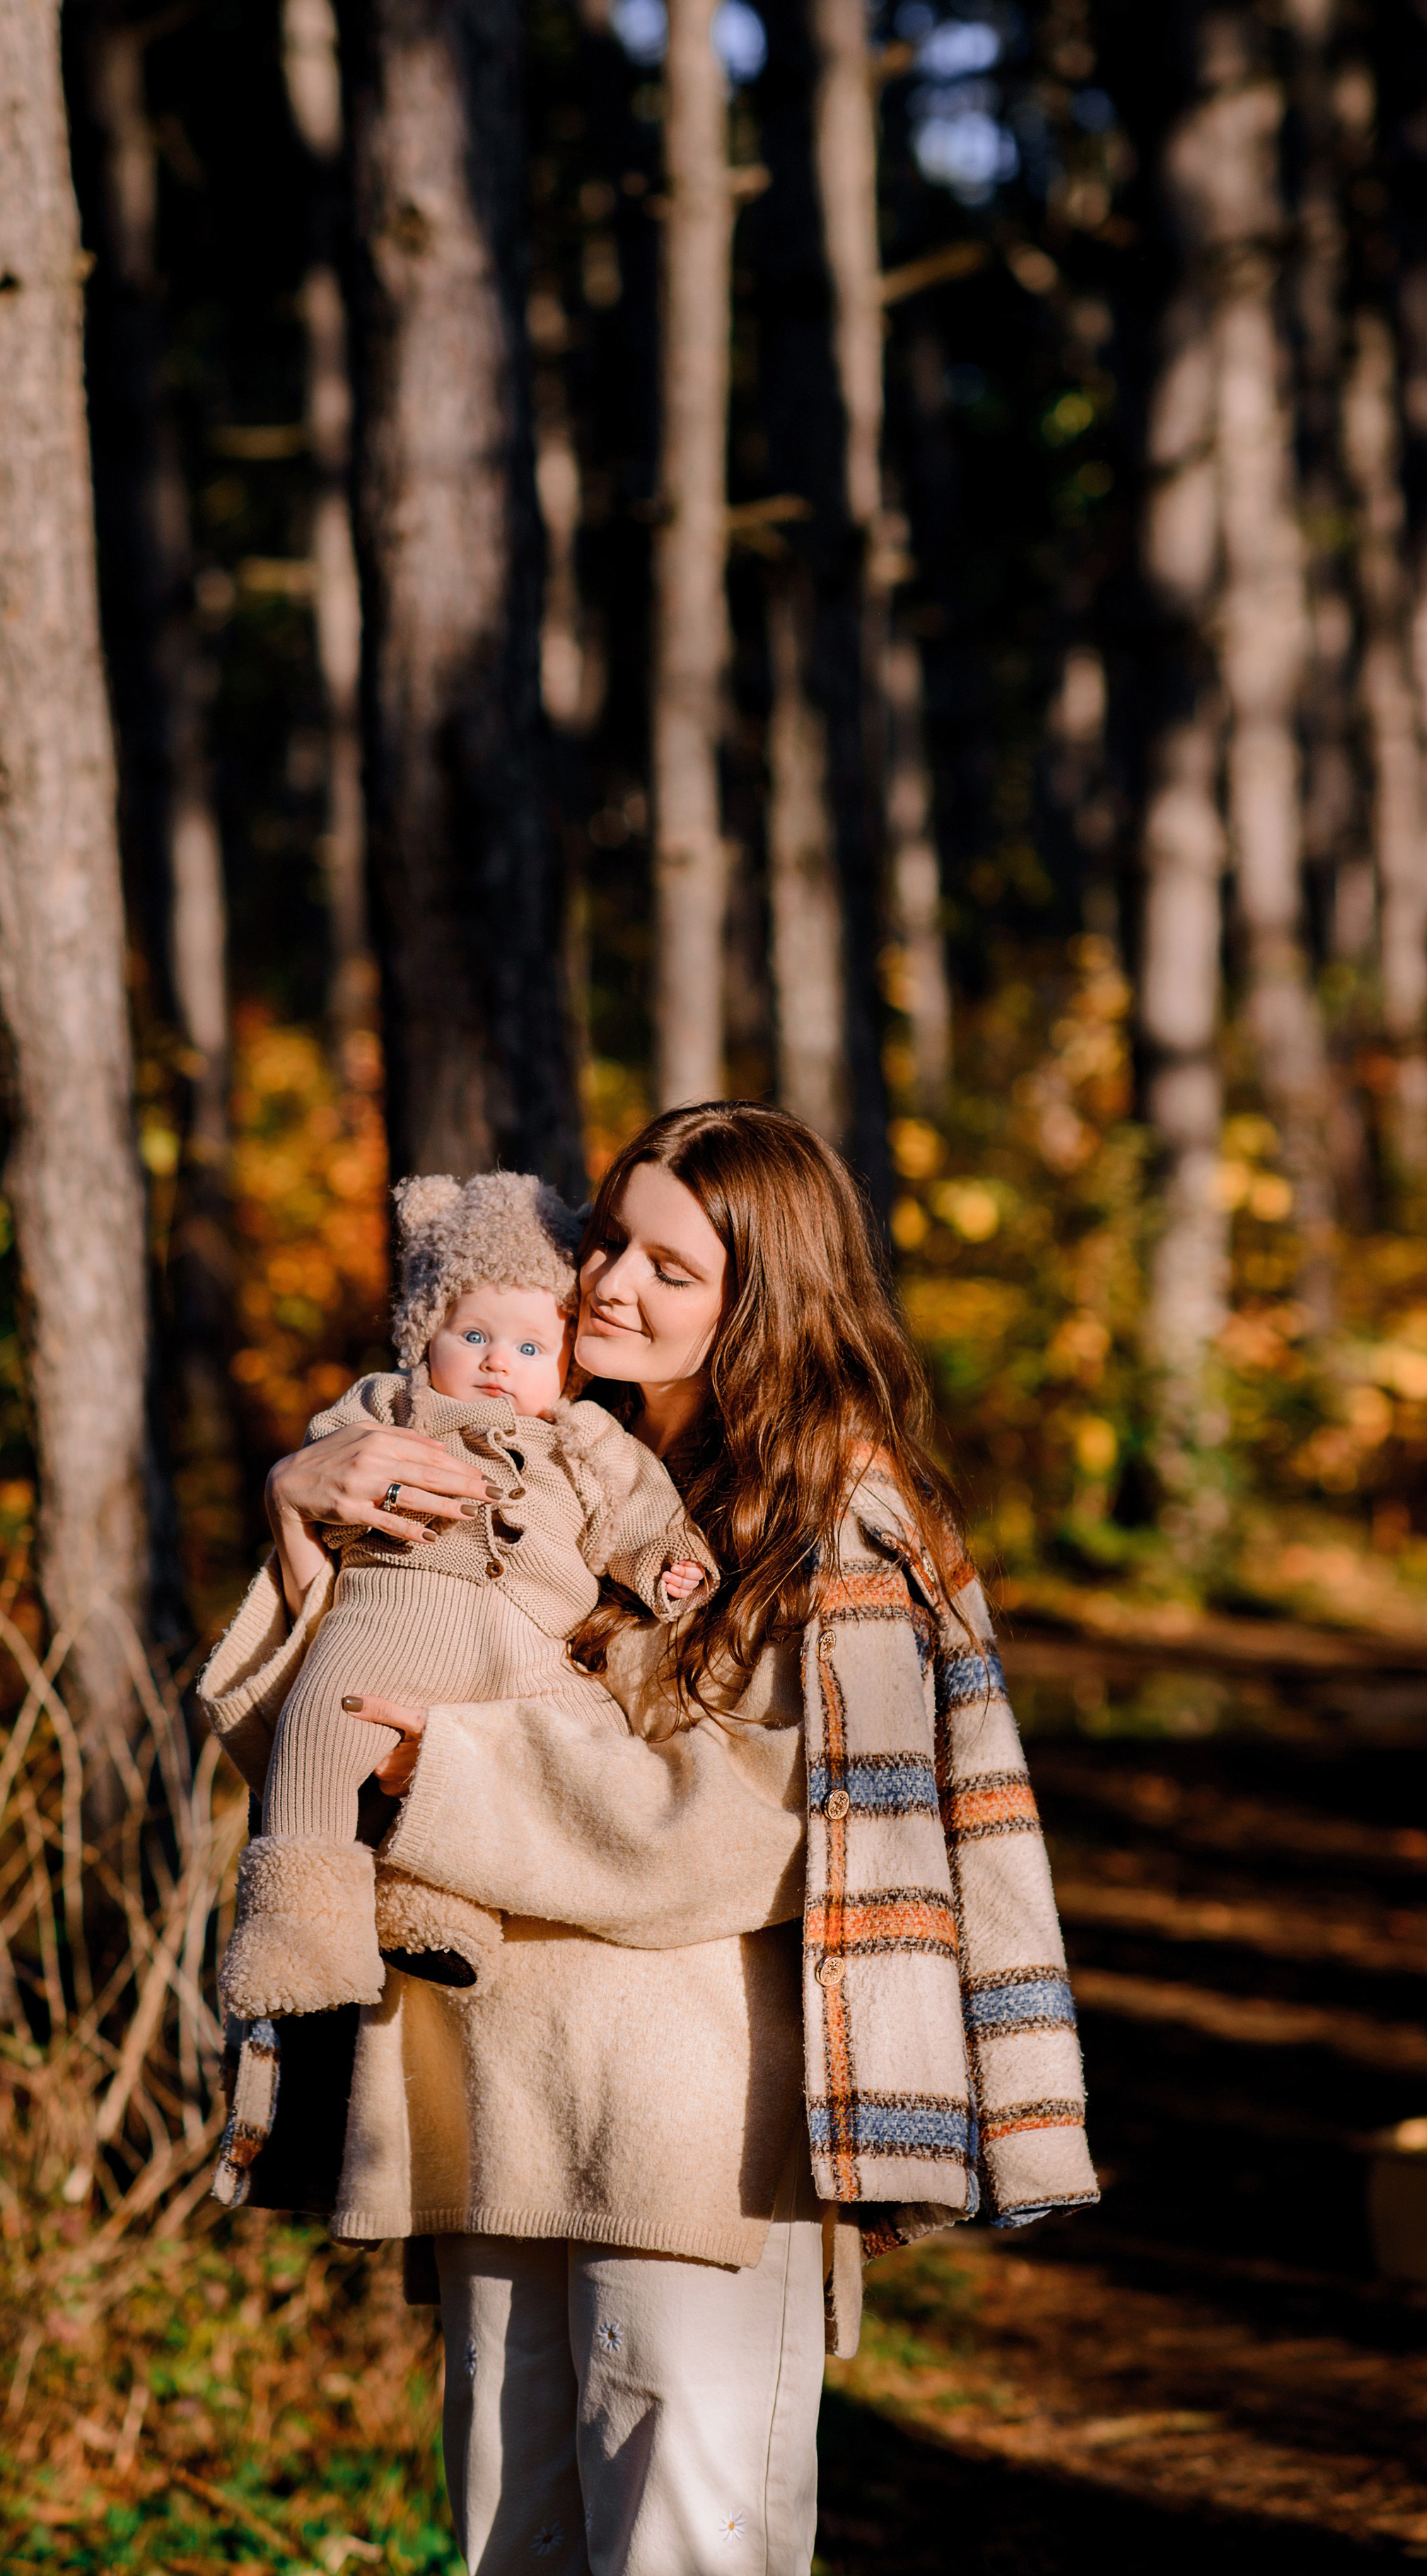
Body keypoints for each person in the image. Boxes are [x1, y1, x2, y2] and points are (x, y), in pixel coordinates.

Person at [198, 1102, 1098, 2576]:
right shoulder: (536, 1461)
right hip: (496, 2100)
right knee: (512, 2546)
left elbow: (749, 1829)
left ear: (766, 1298)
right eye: (608, 1237)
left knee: (684, 2552)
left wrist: (460, 1768)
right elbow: (346, 1751)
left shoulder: (833, 1512)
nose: (607, 1282)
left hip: (695, 2140)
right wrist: (304, 1539)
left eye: (669, 1268)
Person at [221, 1168, 713, 2021]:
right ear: (425, 1334)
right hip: (391, 1619)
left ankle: (439, 1914)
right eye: (472, 1334)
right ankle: (296, 1931)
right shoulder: (392, 1404)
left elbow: (638, 1516)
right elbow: (330, 1460)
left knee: (585, 1742)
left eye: (528, 1348)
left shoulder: (588, 1436)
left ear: (564, 1364)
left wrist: (666, 1564)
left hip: (531, 1643)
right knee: (319, 1732)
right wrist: (306, 1486)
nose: (496, 1362)